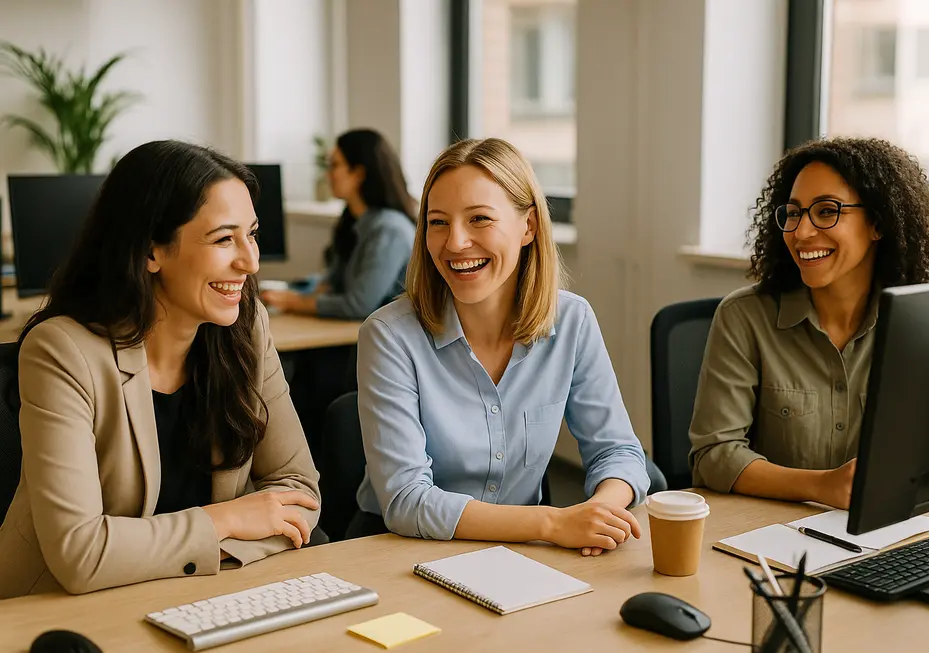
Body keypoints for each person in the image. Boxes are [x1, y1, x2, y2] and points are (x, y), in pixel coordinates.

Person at [0, 140, 321, 599]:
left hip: (201, 595)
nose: (250, 262)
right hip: (58, 610)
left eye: (252, 234)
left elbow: (299, 491)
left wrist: (209, 553)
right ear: (152, 251)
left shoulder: (246, 328)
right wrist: (228, 521)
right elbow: (80, 553)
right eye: (224, 239)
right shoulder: (63, 350)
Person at [351, 137, 654, 557]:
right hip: (402, 549)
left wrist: (599, 513)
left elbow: (618, 451)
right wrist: (554, 522)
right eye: (438, 222)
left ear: (528, 226)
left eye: (479, 219)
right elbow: (406, 500)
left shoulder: (572, 322)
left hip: (522, 549)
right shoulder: (389, 335)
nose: (455, 242)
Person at [689, 137, 929, 509]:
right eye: (794, 213)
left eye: (827, 211)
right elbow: (713, 455)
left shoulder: (922, 324)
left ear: (878, 222)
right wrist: (820, 486)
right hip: (769, 534)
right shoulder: (745, 317)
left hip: (891, 531)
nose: (801, 233)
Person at [260, 128, 416, 320]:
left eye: (334, 165)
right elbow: (334, 281)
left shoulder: (390, 230)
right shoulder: (354, 221)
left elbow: (359, 305)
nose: (327, 174)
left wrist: (292, 302)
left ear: (358, 173)